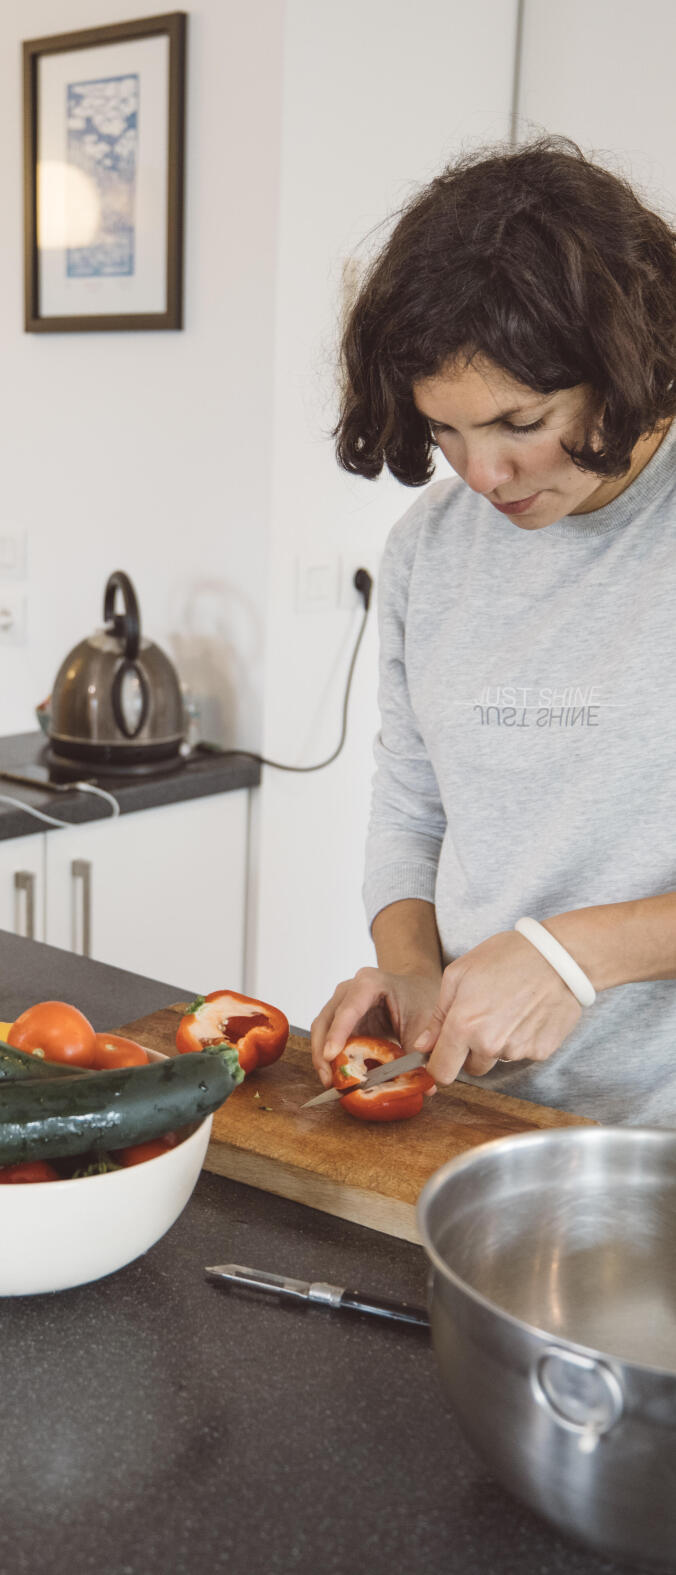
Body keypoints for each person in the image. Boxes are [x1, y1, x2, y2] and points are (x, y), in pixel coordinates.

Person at [310, 136, 676, 1125]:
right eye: (445, 429)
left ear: (625, 363)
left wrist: (576, 956)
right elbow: (411, 802)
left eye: (520, 422)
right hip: (486, 1115)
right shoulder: (430, 549)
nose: (481, 476)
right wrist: (413, 977)